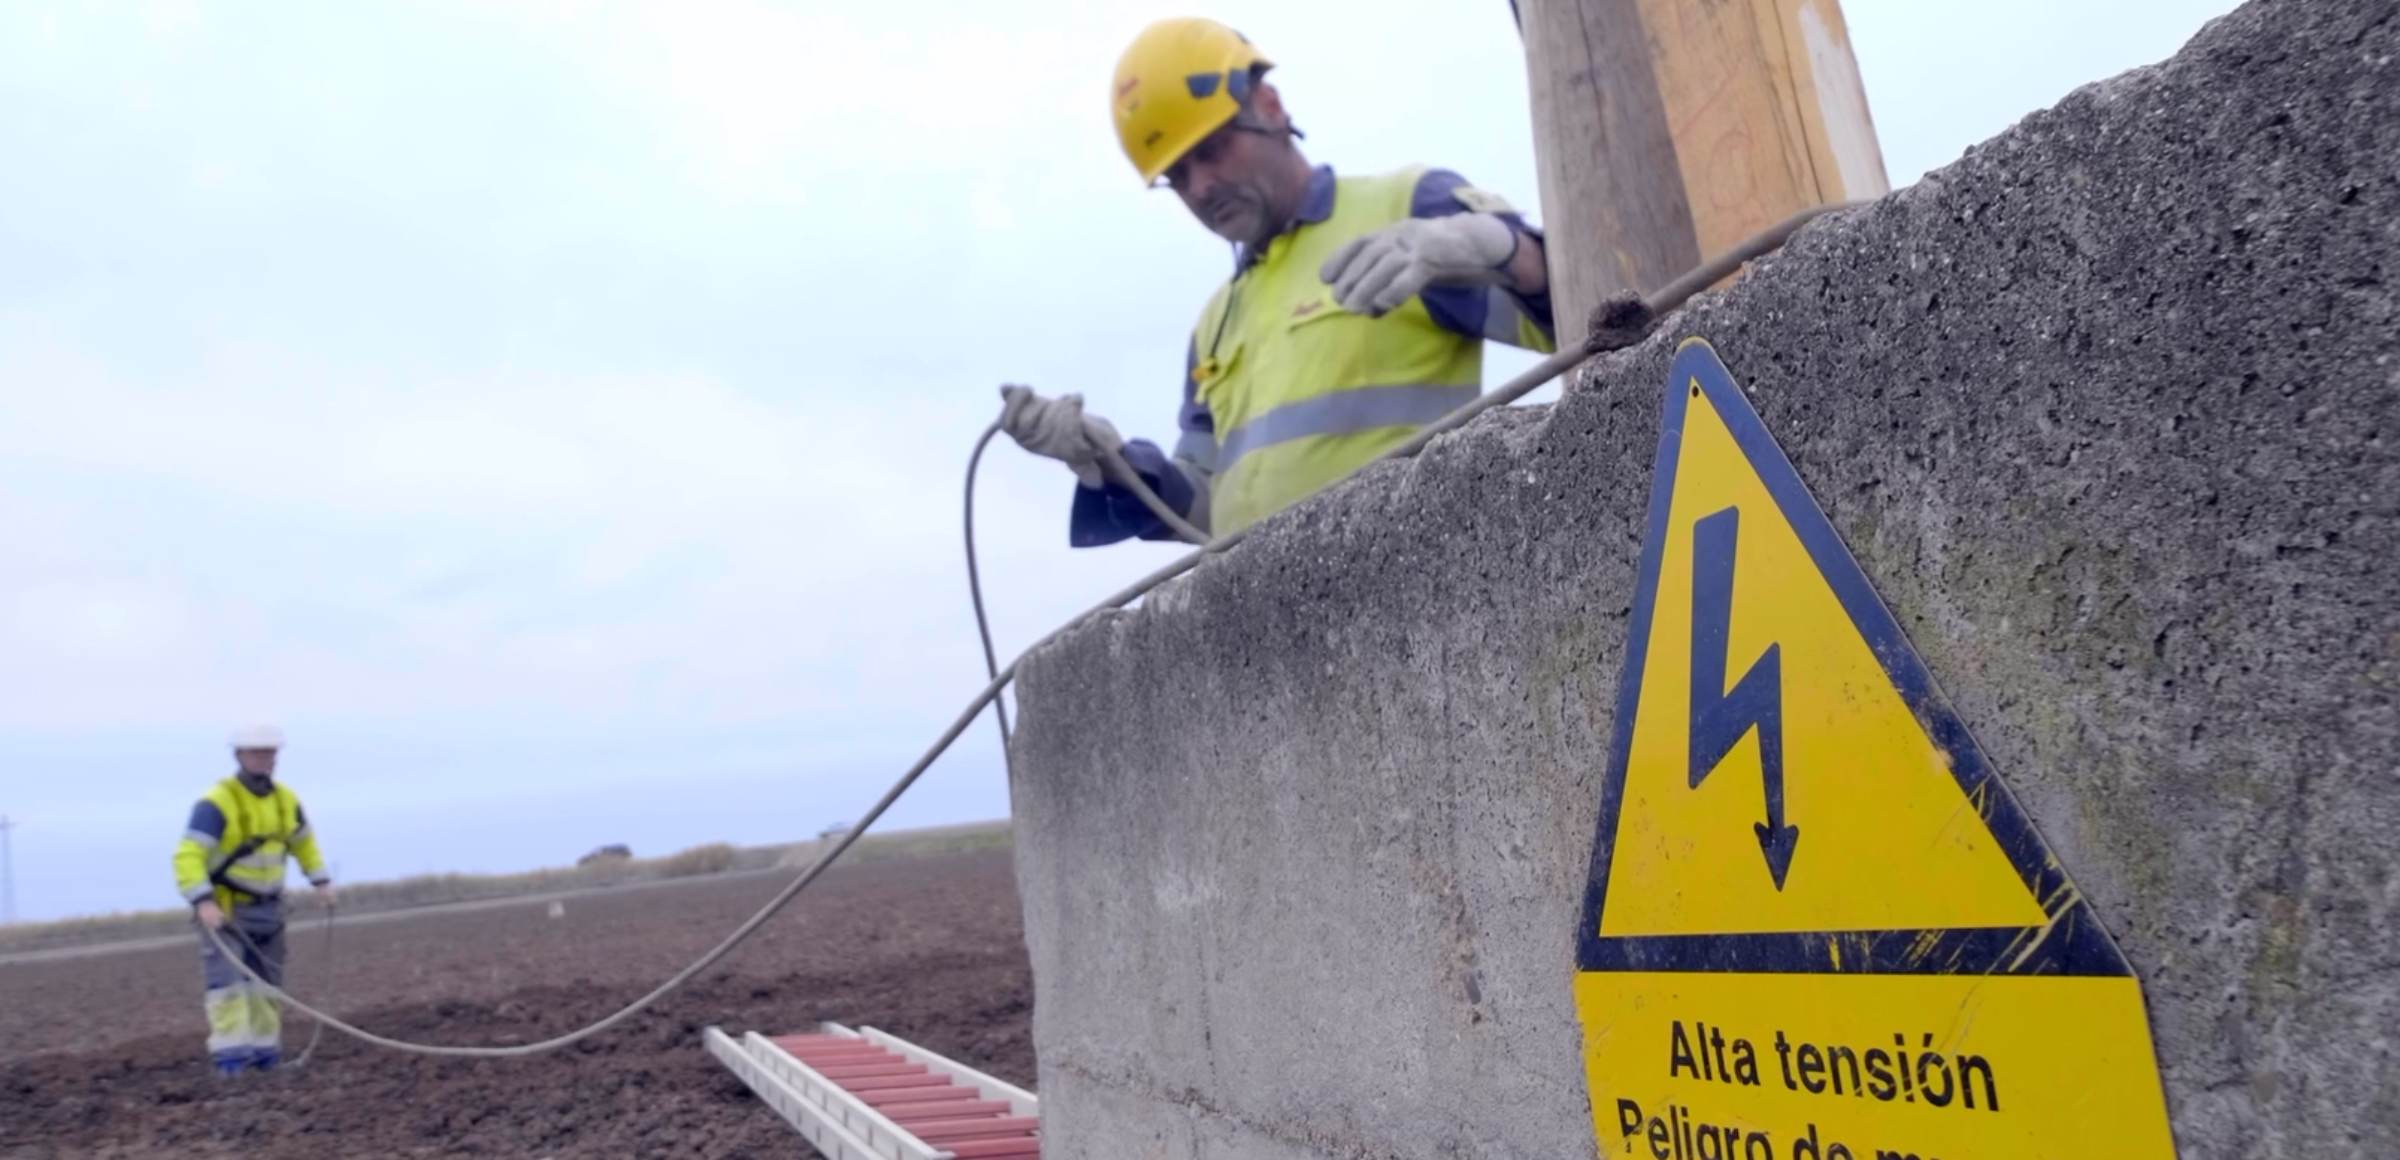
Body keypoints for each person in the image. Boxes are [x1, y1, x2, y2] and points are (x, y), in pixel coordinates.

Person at [1001, 17, 1556, 545]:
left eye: (1211, 150)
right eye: (1178, 175)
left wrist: (1503, 248)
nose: (1201, 187)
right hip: (1275, 626)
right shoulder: (1216, 321)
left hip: (1416, 592)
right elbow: (1203, 509)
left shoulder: (1405, 210)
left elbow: (1588, 314)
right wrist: (1108, 459)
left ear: (1269, 107)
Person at [170, 724, 335, 1076]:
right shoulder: (216, 803)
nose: (265, 759)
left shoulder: (286, 800)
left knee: (267, 988)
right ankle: (231, 1062)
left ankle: (265, 1056)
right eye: (258, 752)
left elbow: (304, 843)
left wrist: (320, 880)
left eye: (270, 752)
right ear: (240, 755)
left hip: (270, 909)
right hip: (228, 910)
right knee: (227, 989)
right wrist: (203, 900)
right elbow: (188, 856)